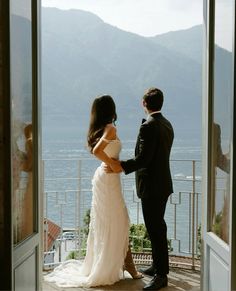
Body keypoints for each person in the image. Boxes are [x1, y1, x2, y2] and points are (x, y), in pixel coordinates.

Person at [44, 95, 142, 288]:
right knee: (119, 220)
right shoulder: (111, 128)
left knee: (108, 221)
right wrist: (114, 164)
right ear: (111, 110)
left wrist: (112, 164)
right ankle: (127, 265)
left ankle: (121, 263)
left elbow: (97, 151)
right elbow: (97, 151)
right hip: (108, 179)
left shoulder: (102, 129)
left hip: (106, 179)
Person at [108, 87, 174, 290]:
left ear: (144, 103)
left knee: (155, 230)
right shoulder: (166, 124)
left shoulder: (149, 126)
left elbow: (144, 159)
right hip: (163, 184)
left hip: (152, 187)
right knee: (157, 228)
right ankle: (157, 266)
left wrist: (121, 167)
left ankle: (161, 276)